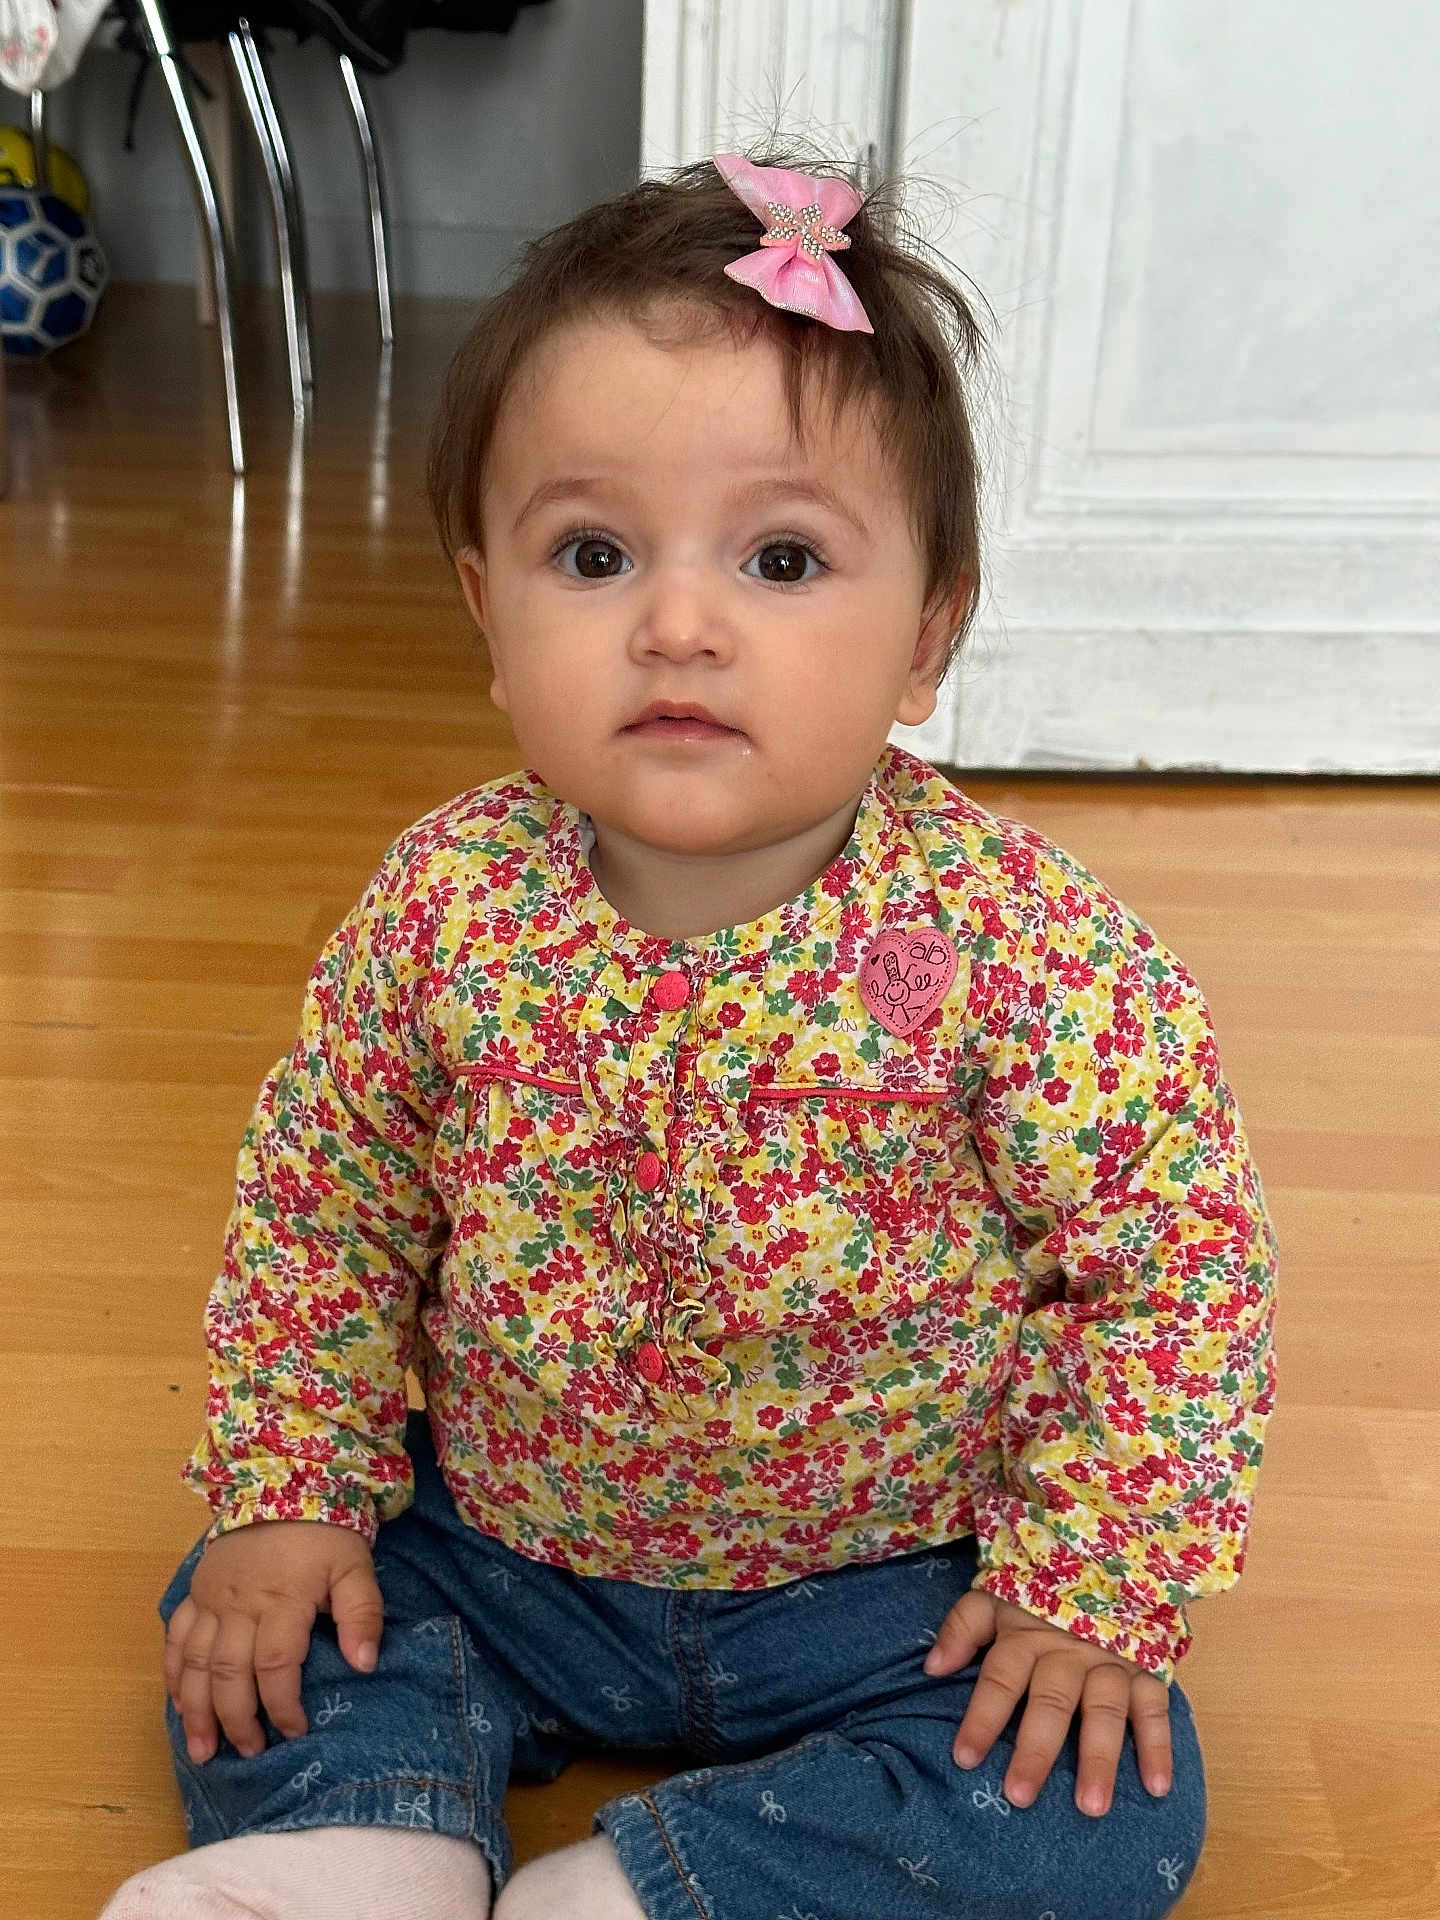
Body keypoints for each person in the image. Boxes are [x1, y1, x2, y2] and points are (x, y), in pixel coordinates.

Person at [98, 149, 1278, 1920]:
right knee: (250, 1607)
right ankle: (364, 1851)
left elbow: (1176, 1269)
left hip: (894, 1589)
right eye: (593, 553)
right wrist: (300, 1487)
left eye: (783, 558)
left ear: (927, 636)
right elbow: (324, 1210)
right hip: (504, 1554)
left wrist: (1085, 1581)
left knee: (1113, 1791)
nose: (678, 620)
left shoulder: (1025, 955)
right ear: (493, 617)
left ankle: (654, 1893)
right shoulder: (447, 908)